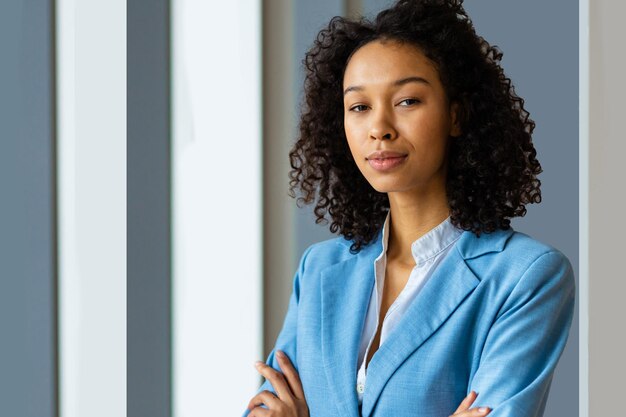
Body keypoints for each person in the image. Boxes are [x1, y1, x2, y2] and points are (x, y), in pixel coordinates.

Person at [243, 0, 576, 416]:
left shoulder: (526, 276)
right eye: (359, 107)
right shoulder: (319, 271)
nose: (379, 127)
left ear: (456, 115)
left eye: (407, 101)